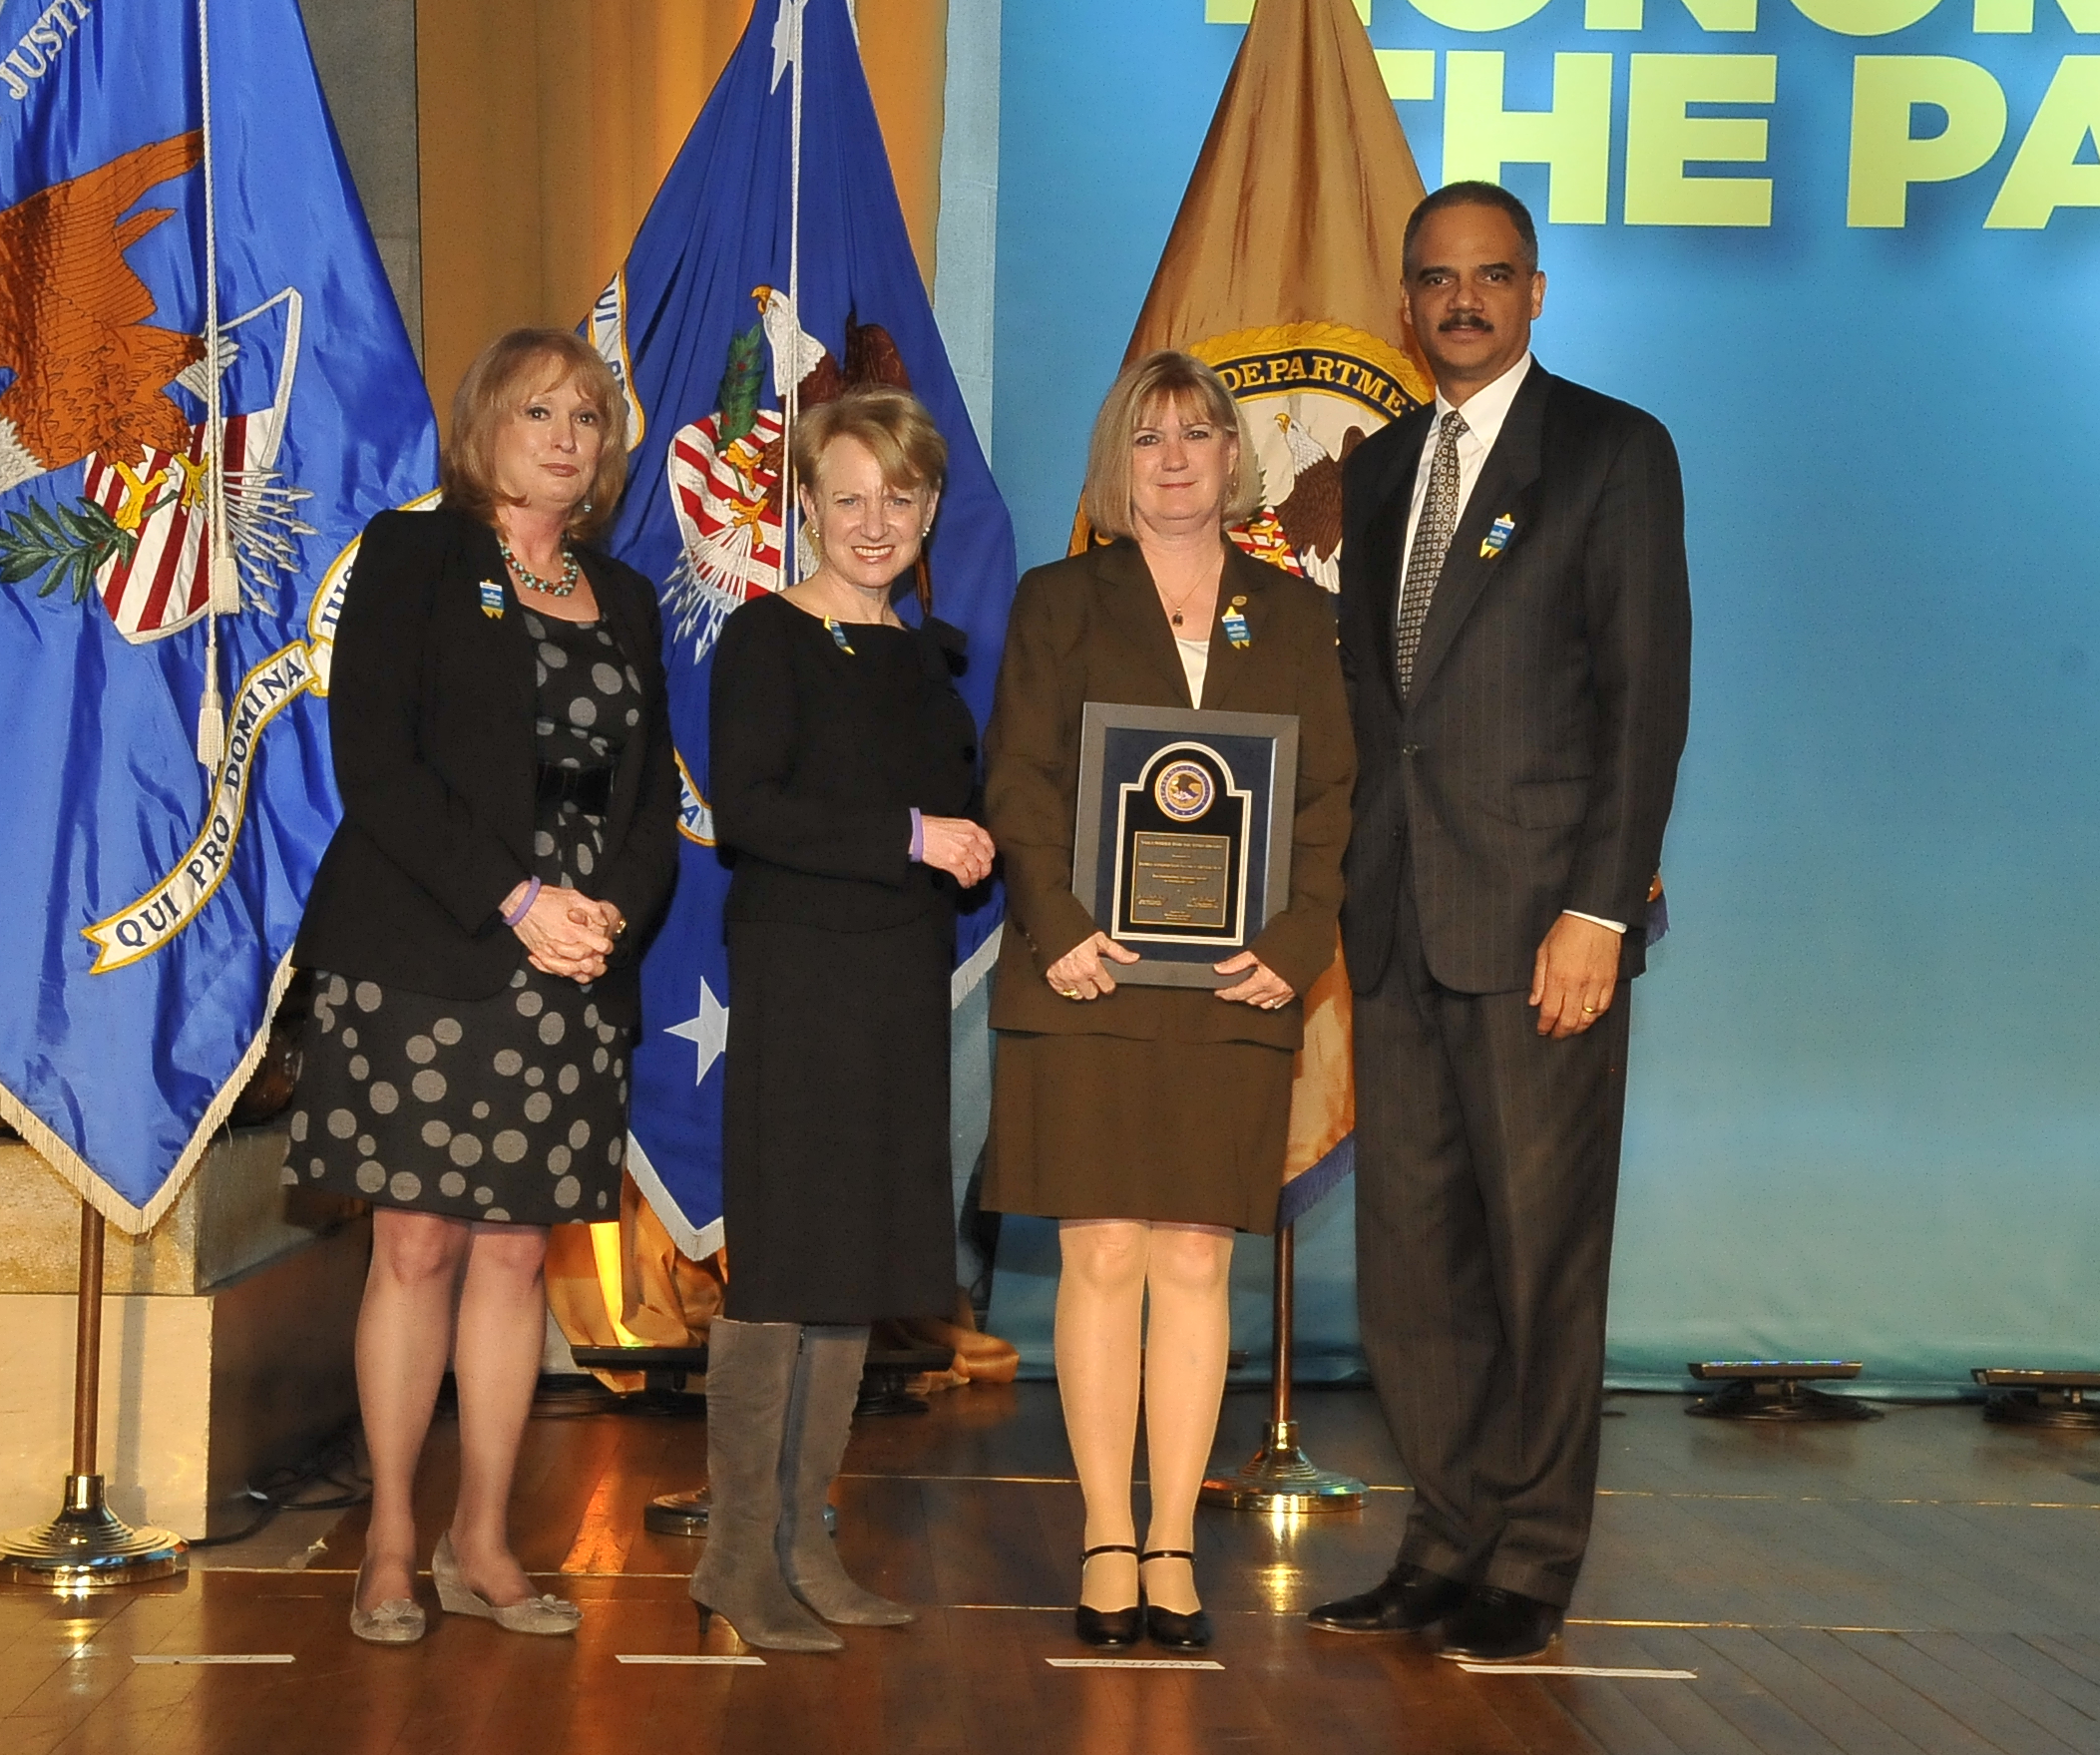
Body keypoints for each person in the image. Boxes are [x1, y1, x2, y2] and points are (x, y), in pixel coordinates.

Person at [1307, 181, 1691, 1663]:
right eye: (1436, 280)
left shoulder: (1612, 451)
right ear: (1407, 306)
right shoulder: (1386, 461)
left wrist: (1600, 905)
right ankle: (1446, 1538)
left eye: (1492, 275)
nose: (1462, 300)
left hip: (1546, 932)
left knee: (1540, 1258)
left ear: (1538, 293)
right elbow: (1371, 711)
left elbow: (1643, 701)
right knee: (1416, 1265)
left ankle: (1529, 1556)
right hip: (1400, 923)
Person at [290, 327, 677, 1645]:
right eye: (537, 412)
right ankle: (393, 1541)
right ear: (483, 429)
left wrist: (605, 916)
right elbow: (377, 767)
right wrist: (514, 902)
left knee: (517, 1254)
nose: (566, 436)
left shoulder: (624, 599)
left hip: (574, 967)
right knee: (418, 1243)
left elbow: (646, 799)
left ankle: (485, 1542)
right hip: (427, 951)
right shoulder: (415, 557)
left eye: (586, 417)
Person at [981, 351, 1355, 1652]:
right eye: (1150, 438)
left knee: (1196, 1257)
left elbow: (1326, 807)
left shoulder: (1297, 620)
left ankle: (1174, 1544)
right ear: (1115, 463)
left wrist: (1299, 943)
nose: (1178, 457)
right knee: (1102, 1253)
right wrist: (1064, 927)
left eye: (1201, 433)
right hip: (1084, 975)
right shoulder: (1058, 601)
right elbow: (1019, 780)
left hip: (1238, 983)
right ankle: (1102, 1533)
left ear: (1236, 460)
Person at [690, 387, 996, 1652]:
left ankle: (803, 1540)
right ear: (803, 507)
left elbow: (968, 825)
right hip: (803, 981)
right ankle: (732, 1557)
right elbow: (751, 811)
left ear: (930, 510)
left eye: (902, 497)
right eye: (850, 497)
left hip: (894, 984)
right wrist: (914, 837)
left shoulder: (928, 655)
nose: (877, 522)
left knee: (853, 1268)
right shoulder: (765, 640)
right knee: (783, 1269)